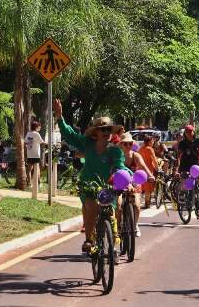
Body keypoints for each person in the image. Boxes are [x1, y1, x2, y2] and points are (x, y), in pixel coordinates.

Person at [53, 99, 129, 254]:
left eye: (108, 129)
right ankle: (89, 240)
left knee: (112, 211)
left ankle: (113, 245)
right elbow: (70, 134)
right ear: (96, 132)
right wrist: (60, 117)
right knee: (92, 207)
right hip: (88, 185)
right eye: (102, 130)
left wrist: (125, 180)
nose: (106, 132)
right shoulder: (87, 144)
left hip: (108, 187)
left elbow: (120, 167)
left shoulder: (115, 151)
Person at [118, 133, 155, 237]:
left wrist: (151, 175)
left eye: (130, 144)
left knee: (137, 206)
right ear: (121, 144)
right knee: (119, 205)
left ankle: (135, 225)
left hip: (134, 183)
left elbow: (143, 166)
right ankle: (119, 226)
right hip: (120, 183)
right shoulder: (117, 155)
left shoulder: (136, 155)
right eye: (125, 144)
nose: (128, 146)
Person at [138, 135, 159, 209]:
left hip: (140, 170)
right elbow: (154, 160)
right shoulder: (150, 149)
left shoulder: (140, 149)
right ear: (149, 142)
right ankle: (147, 204)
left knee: (141, 187)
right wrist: (158, 169)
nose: (153, 142)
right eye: (152, 141)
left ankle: (140, 202)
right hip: (148, 170)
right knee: (148, 189)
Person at [25, 121, 46, 187]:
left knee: (29, 169)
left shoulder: (28, 133)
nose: (40, 127)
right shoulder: (36, 134)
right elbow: (42, 142)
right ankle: (39, 183)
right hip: (36, 154)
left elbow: (25, 142)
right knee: (37, 169)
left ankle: (29, 184)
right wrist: (51, 144)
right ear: (36, 127)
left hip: (29, 154)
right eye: (39, 126)